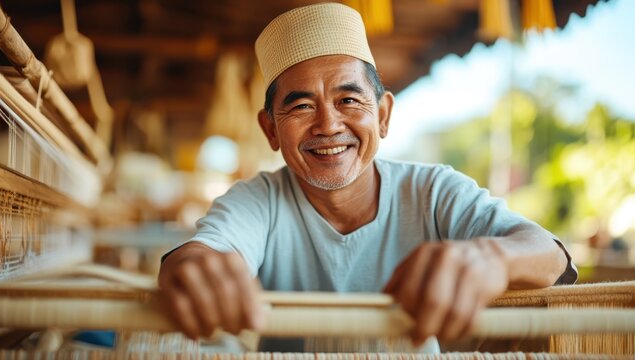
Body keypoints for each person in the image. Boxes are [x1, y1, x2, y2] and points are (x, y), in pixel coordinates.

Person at [158, 2, 577, 352]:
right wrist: (194, 268)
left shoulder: (433, 191)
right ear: (270, 129)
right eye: (301, 106)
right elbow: (202, 253)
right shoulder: (259, 201)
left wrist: (492, 258)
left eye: (348, 99)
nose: (328, 124)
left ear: (383, 115)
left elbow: (550, 256)